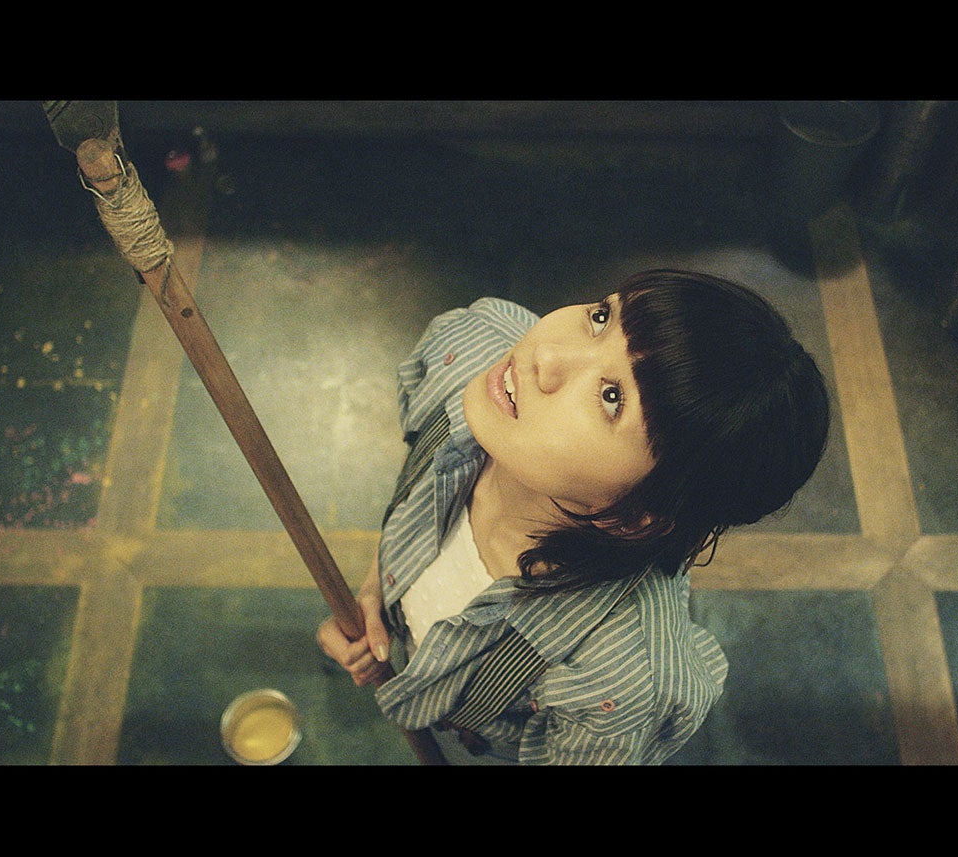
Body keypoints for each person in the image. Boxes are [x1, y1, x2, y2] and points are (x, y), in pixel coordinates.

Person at [317, 268, 830, 764]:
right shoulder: (469, 348)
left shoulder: (617, 679)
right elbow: (419, 489)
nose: (546, 354)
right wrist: (375, 592)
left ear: (635, 516)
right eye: (602, 318)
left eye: (612, 397)